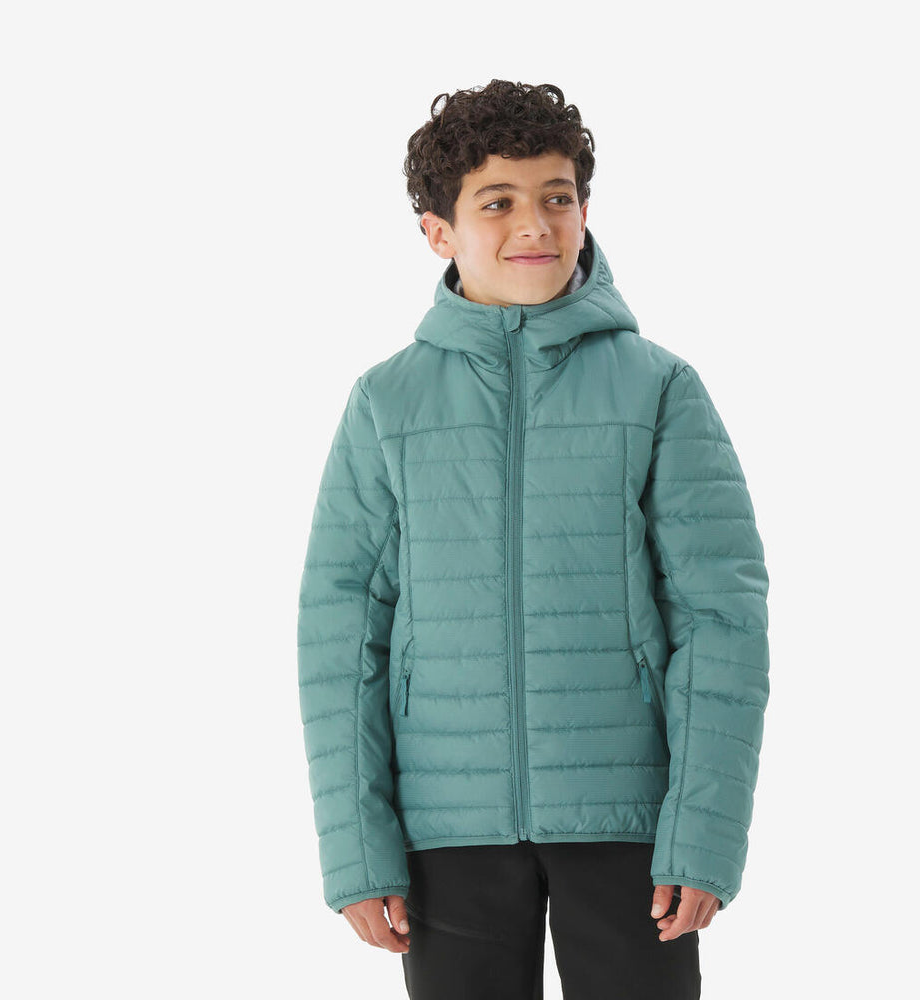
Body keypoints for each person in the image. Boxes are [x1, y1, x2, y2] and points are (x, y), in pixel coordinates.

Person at [296, 79, 770, 999]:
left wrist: (704, 833)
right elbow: (340, 633)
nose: (535, 225)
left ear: (585, 211)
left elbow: (722, 621)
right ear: (438, 231)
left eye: (557, 197)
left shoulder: (658, 389)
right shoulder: (386, 403)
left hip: (631, 824)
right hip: (447, 826)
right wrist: (356, 847)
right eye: (497, 202)